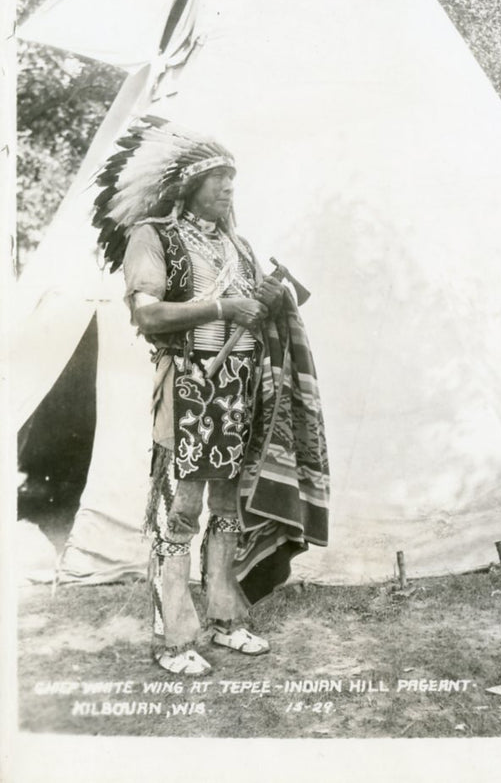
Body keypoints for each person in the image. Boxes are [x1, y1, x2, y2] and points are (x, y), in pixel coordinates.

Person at [93, 116, 330, 676]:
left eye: (232, 180)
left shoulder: (238, 246)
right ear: (188, 184)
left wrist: (271, 302)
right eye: (218, 178)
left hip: (241, 388)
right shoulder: (153, 237)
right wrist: (223, 308)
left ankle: (224, 619)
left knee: (228, 508)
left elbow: (256, 316)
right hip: (189, 385)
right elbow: (147, 314)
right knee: (181, 508)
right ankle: (175, 637)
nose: (228, 189)